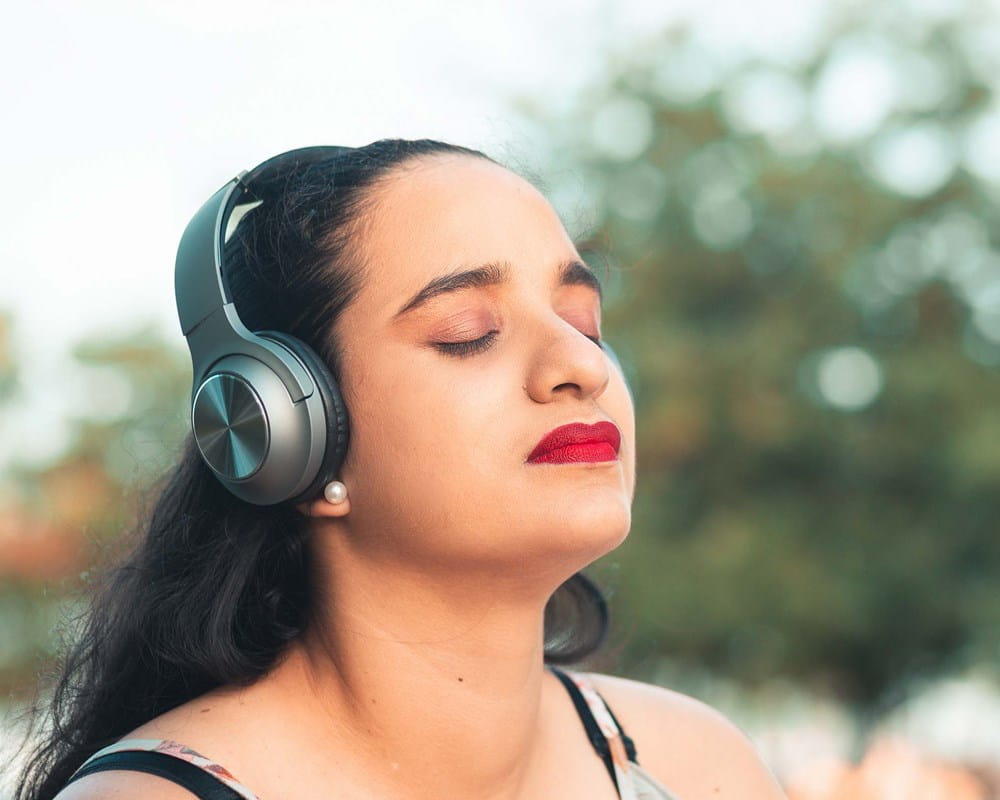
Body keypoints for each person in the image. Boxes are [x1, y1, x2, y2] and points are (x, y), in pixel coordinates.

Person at [18, 139, 786, 799]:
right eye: (468, 332)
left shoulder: (700, 768)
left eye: (583, 321)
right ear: (285, 428)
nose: (581, 364)